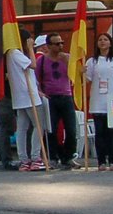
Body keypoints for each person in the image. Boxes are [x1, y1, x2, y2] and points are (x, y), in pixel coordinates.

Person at [84, 32, 113, 171]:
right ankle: (101, 161)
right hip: (98, 102)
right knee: (101, 133)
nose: (103, 42)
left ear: (110, 43)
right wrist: (80, 72)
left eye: (105, 39)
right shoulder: (92, 61)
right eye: (100, 40)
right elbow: (86, 80)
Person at [35, 34, 78, 170]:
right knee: (51, 130)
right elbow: (35, 80)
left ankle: (68, 156)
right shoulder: (42, 61)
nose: (60, 46)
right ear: (48, 46)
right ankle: (52, 157)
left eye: (61, 43)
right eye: (56, 44)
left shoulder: (68, 58)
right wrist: (40, 92)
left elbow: (78, 74)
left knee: (71, 130)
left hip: (66, 96)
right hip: (50, 98)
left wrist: (67, 62)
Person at [7, 32, 44, 171]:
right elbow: (33, 65)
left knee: (22, 128)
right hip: (28, 95)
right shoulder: (15, 53)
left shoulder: (13, 54)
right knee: (39, 125)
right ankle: (35, 157)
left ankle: (24, 159)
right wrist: (29, 49)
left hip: (21, 94)